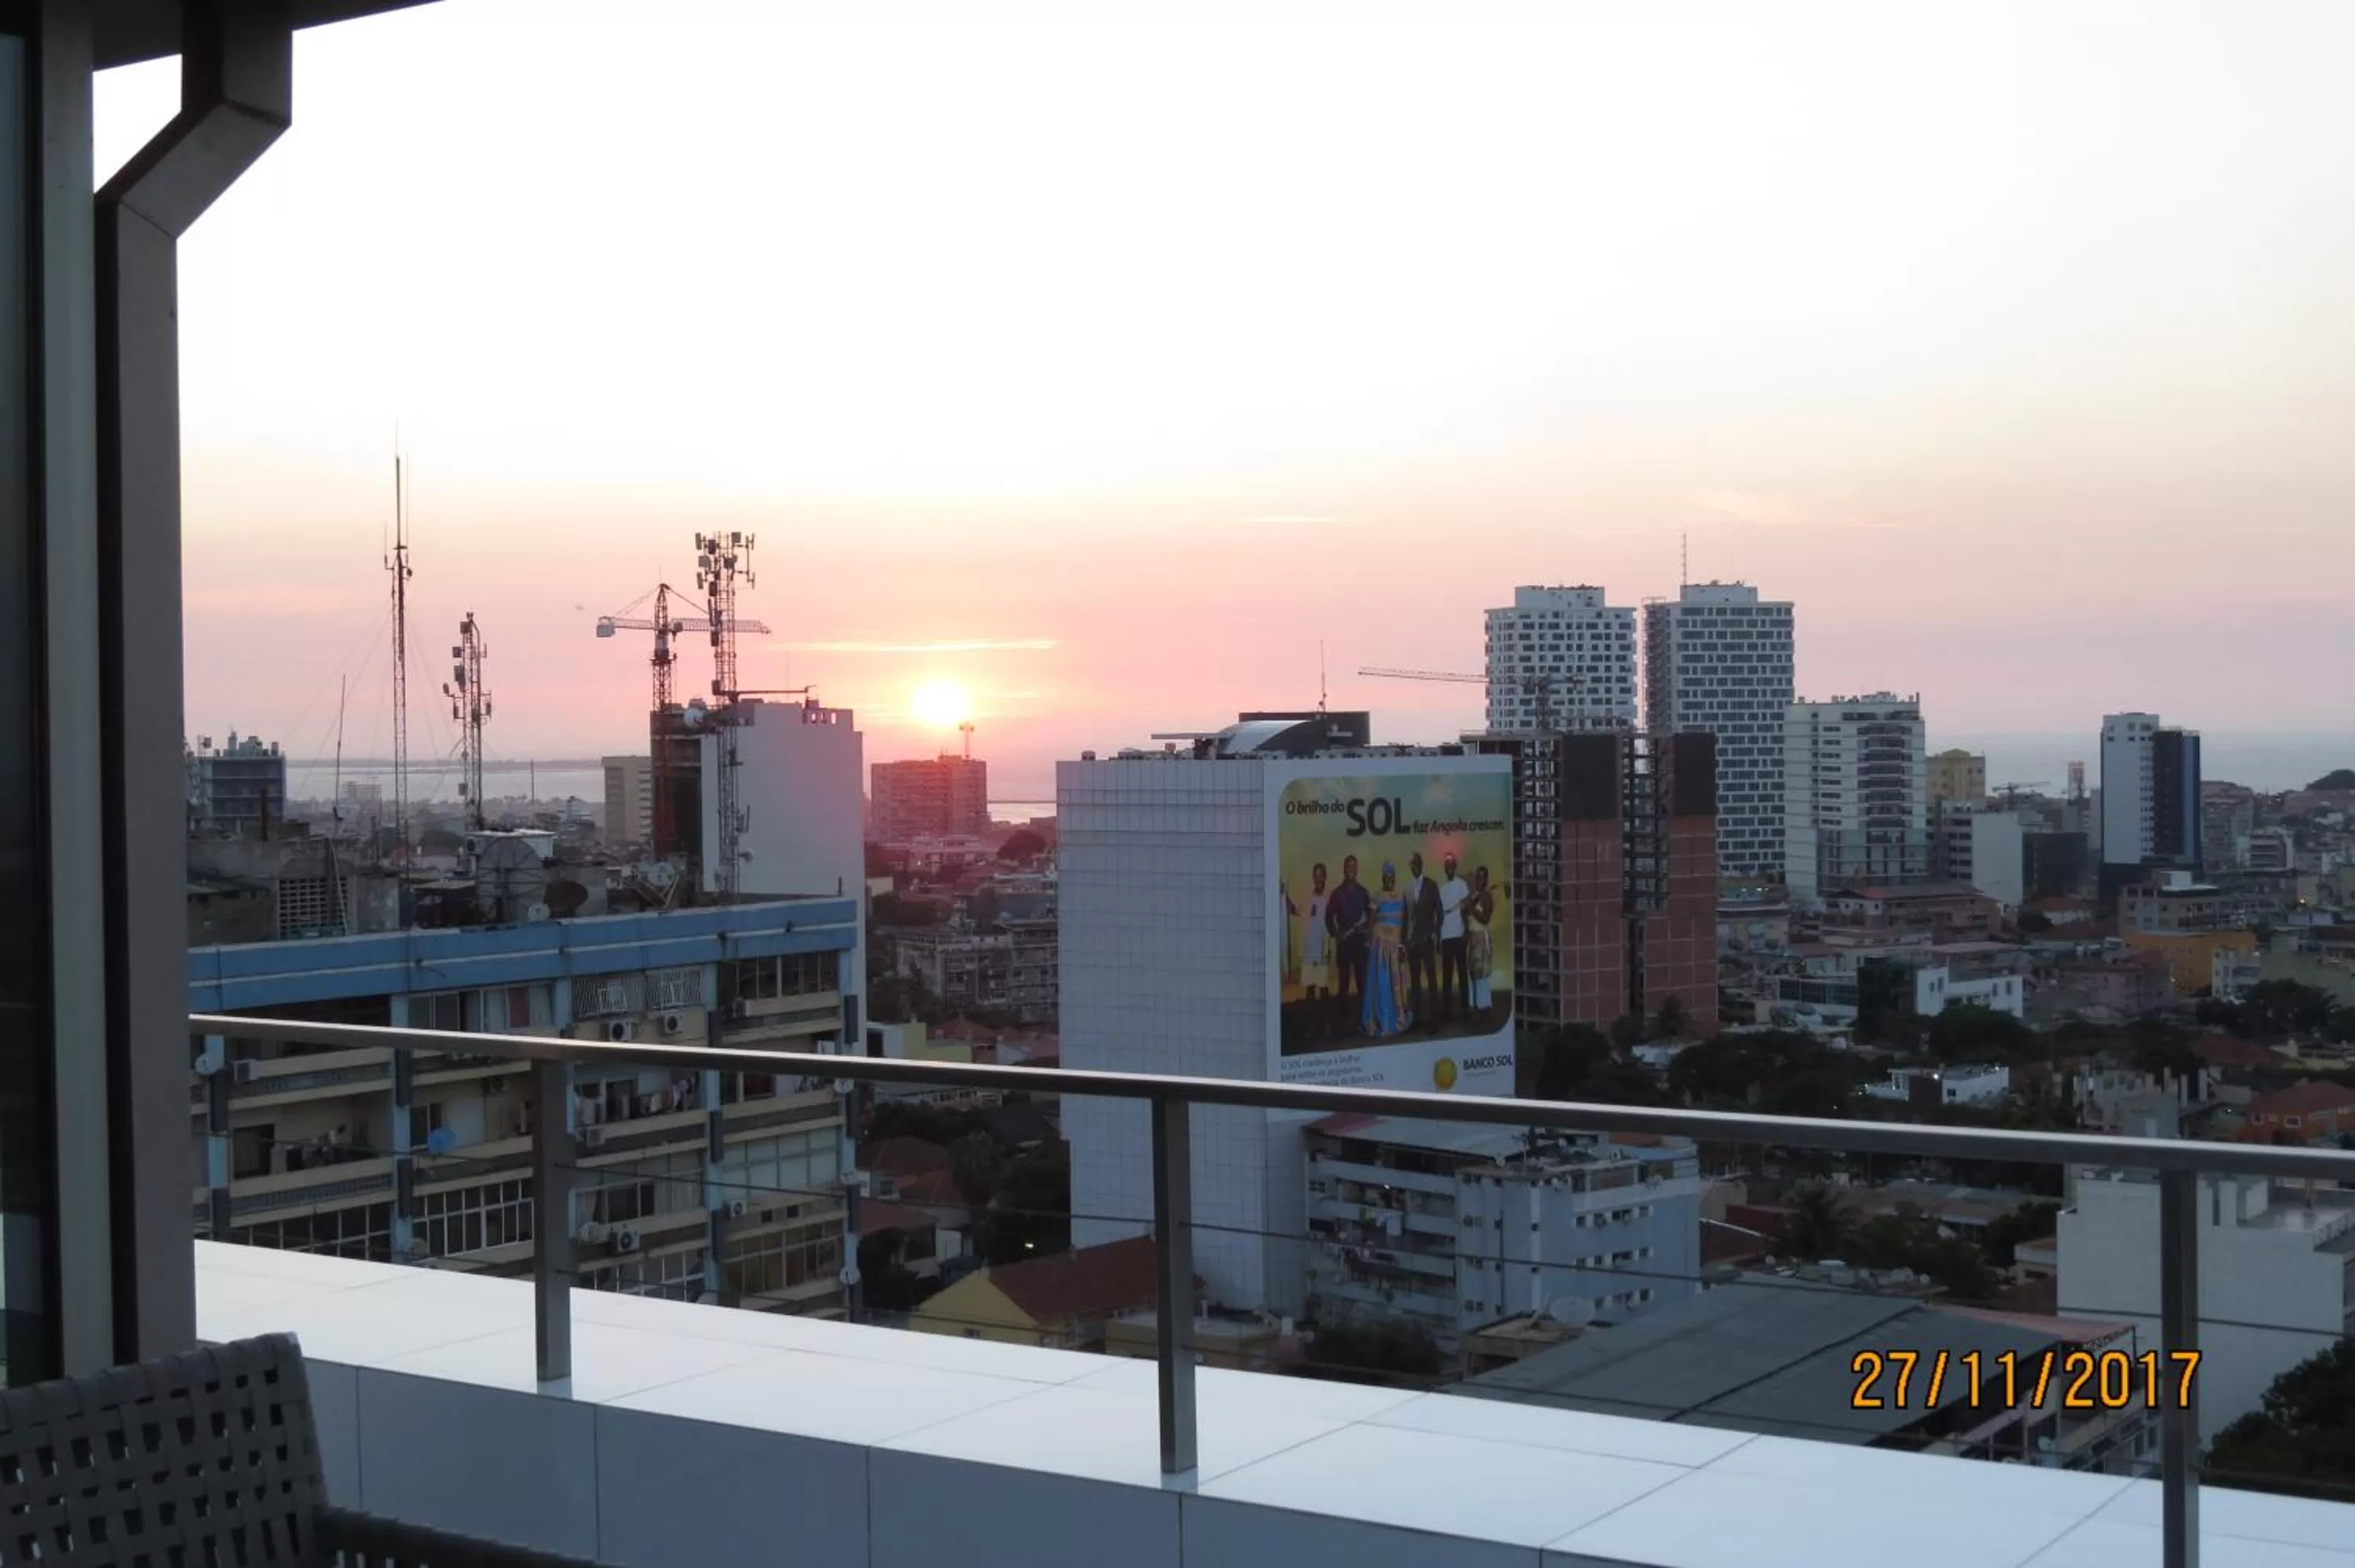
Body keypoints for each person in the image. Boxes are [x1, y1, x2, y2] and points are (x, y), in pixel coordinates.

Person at [1363, 862, 1413, 1039]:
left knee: (1396, 983)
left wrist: (1402, 945)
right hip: (1381, 948)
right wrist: (1369, 942)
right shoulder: (1377, 896)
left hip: (1396, 945)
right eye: (1387, 877)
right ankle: (1381, 1022)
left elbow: (1405, 922)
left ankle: (1396, 1019)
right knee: (1383, 983)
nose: (1390, 880)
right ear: (1383, 878)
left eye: (1392, 876)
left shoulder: (1402, 895)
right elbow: (1371, 922)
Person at [1324, 855, 1372, 1035]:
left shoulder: (1363, 893)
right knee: (1343, 985)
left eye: (1354, 866)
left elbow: (1370, 917)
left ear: (1357, 869)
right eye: (1348, 866)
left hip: (1360, 944)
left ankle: (1364, 1023)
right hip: (1344, 945)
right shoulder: (1337, 894)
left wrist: (1366, 929)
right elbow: (1329, 918)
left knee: (1362, 984)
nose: (1351, 869)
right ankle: (1342, 1027)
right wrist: (1337, 934)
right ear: (1344, 869)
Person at [1403, 851, 1441, 1032]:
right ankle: (1416, 1019)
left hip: (1426, 941)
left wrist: (1435, 933)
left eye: (1416, 863)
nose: (1414, 867)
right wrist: (1404, 942)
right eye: (1412, 864)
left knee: (1432, 980)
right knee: (1415, 982)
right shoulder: (1408, 888)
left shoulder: (1431, 885)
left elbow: (1439, 913)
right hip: (1413, 943)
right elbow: (1406, 918)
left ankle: (1435, 1020)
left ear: (1422, 864)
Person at [1287, 863, 1333, 1009]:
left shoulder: (1330, 898)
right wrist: (1284, 896)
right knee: (1310, 989)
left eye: (1321, 875)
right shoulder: (1306, 897)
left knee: (1324, 987)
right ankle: (1311, 1024)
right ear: (1313, 877)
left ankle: (1326, 1024)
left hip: (1323, 950)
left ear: (1325, 877)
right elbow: (1294, 910)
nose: (1318, 878)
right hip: (1308, 950)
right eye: (1316, 875)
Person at [1437, 852, 1472, 1025]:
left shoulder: (1462, 885)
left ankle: (1466, 1009)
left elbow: (1466, 908)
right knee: (1447, 976)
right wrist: (1439, 938)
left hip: (1459, 935)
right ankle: (1446, 1012)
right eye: (1446, 865)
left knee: (1463, 973)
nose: (1449, 868)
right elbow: (1439, 916)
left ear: (1455, 866)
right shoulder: (1442, 889)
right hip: (1446, 937)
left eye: (1451, 865)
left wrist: (1466, 933)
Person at [1465, 866, 1497, 1021]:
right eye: (1478, 877)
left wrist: (1472, 908)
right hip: (1472, 938)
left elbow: (1485, 919)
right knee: (1473, 974)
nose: (1480, 880)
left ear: (1487, 879)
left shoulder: (1487, 897)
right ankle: (1475, 1005)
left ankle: (1483, 1007)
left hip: (1481, 938)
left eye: (1483, 877)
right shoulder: (1473, 896)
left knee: (1481, 974)